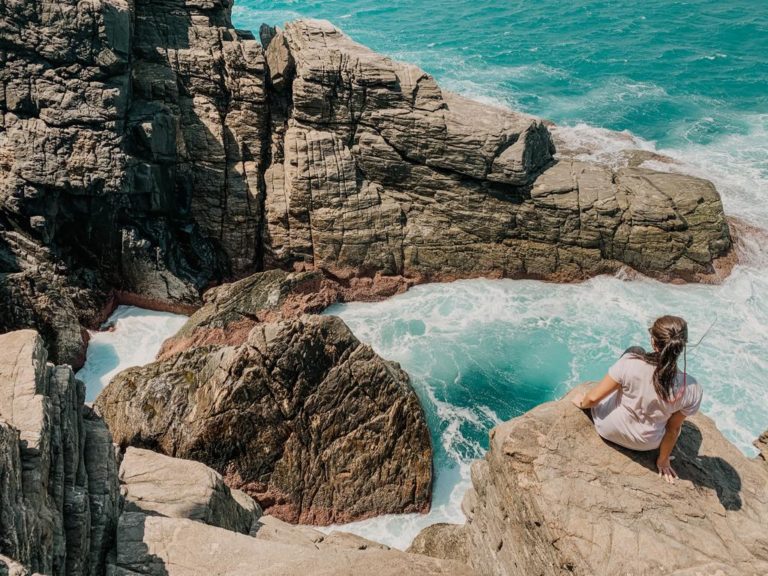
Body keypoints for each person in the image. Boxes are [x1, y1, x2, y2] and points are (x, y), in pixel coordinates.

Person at [571, 315, 703, 484]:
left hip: (608, 428)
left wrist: (582, 402)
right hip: (646, 443)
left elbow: (593, 398)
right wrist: (663, 460)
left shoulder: (629, 363)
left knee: (634, 349)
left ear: (653, 342)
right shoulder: (693, 389)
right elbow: (672, 429)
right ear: (681, 346)